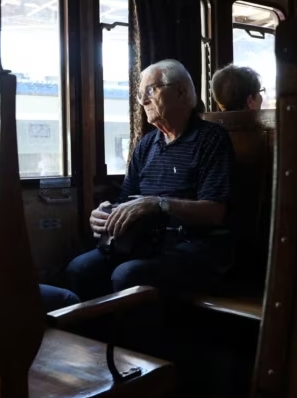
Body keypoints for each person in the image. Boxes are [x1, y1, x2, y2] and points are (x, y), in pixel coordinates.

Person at [63, 59, 235, 301]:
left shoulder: (211, 140)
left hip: (194, 247)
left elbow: (215, 212)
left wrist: (158, 203)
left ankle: (132, 341)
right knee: (79, 268)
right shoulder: (146, 144)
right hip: (144, 243)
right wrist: (106, 213)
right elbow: (126, 198)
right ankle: (93, 340)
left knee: (127, 275)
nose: (142, 100)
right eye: (139, 94)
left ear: (181, 92)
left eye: (151, 90)